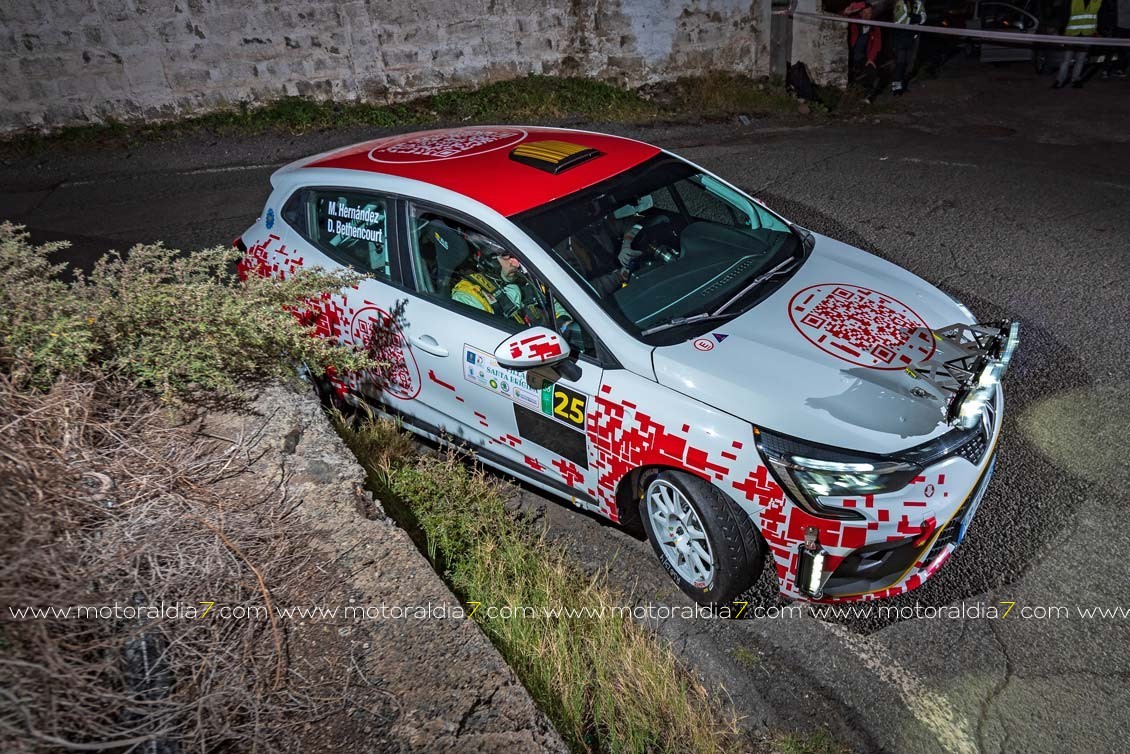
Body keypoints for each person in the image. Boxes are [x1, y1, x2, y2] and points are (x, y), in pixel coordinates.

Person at [1055, 0, 1104, 87]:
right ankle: (1060, 80)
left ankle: (1075, 79)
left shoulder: (1097, 1)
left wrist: (1098, 31)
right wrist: (1062, 30)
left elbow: (1101, 16)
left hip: (1087, 35)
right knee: (1066, 60)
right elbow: (1064, 14)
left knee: (1081, 60)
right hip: (1071, 34)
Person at [843, 0, 883, 101]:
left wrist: (871, 58)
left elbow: (876, 45)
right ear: (860, 13)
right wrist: (848, 12)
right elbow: (842, 17)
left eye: (869, 13)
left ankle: (868, 97)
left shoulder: (875, 27)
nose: (867, 15)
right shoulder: (854, 21)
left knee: (874, 73)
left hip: (863, 58)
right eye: (864, 13)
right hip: (849, 57)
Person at [890, 0, 927, 95]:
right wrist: (916, 18)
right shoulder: (900, 3)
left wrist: (912, 17)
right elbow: (900, 21)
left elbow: (924, 18)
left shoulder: (918, 3)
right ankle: (896, 89)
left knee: (909, 62)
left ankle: (903, 85)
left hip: (913, 36)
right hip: (900, 36)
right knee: (900, 62)